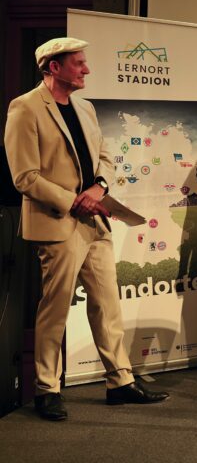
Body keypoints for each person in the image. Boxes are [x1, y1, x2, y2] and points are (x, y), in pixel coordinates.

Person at [4, 37, 169, 422]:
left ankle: (120, 382)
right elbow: (24, 176)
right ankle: (48, 388)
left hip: (96, 219)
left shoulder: (86, 108)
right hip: (57, 221)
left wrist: (99, 187)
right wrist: (73, 199)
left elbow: (106, 158)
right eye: (78, 63)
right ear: (53, 68)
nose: (86, 69)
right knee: (55, 308)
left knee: (107, 302)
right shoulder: (25, 108)